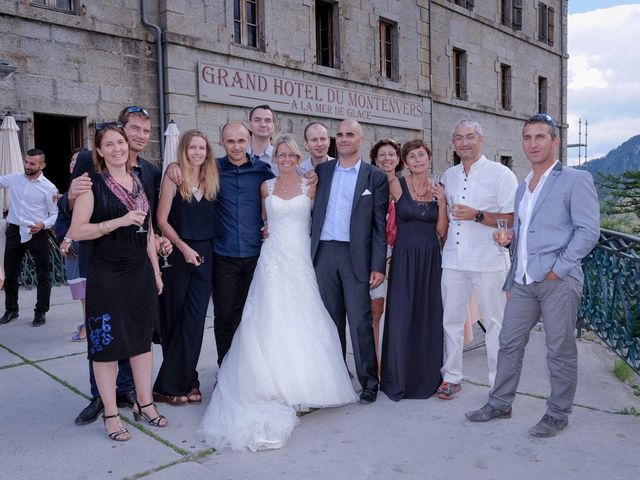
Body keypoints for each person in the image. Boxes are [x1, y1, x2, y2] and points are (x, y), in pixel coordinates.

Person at [197, 135, 358, 451]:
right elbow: (262, 220)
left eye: (290, 155)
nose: (285, 159)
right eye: (280, 154)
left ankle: (307, 384)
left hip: (299, 259)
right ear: (275, 158)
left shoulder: (310, 185)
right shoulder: (265, 187)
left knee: (303, 317)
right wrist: (263, 229)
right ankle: (269, 382)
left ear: (299, 159)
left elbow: (322, 218)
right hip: (271, 259)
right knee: (267, 318)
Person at [465, 114, 600, 438]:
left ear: (555, 141)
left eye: (541, 137)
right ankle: (500, 403)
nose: (533, 143)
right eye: (527, 137)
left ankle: (557, 413)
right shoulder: (524, 186)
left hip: (558, 281)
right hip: (524, 280)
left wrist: (559, 268)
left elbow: (588, 231)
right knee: (508, 343)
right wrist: (509, 237)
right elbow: (527, 231)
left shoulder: (575, 179)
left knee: (559, 349)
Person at [61, 105, 166, 426]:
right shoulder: (90, 175)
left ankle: (141, 401)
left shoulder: (145, 173)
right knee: (104, 340)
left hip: (139, 269)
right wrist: (116, 221)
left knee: (139, 340)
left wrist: (157, 270)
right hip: (104, 268)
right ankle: (105, 406)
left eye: (143, 132)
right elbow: (74, 220)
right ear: (100, 150)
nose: (125, 143)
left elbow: (149, 228)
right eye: (115, 141)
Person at [165, 122, 275, 366]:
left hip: (256, 255)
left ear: (249, 140)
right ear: (222, 143)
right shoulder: (211, 170)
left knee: (252, 317)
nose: (236, 146)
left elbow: (279, 198)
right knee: (224, 317)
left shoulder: (263, 171)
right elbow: (187, 170)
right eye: (230, 141)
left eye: (241, 141)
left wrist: (271, 225)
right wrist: (173, 165)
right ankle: (225, 369)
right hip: (222, 256)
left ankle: (250, 369)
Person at [437, 119, 518, 400]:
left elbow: (512, 218)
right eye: (458, 138)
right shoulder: (448, 176)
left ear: (480, 140)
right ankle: (451, 376)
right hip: (453, 260)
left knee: (496, 325)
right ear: (453, 143)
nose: (464, 142)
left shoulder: (501, 174)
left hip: (489, 260)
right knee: (451, 321)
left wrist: (477, 215)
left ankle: (498, 384)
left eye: (470, 137)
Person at [310, 119, 389, 404]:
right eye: (340, 135)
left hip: (356, 257)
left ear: (361, 139)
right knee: (330, 323)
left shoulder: (374, 177)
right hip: (324, 254)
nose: (343, 139)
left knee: (359, 322)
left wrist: (378, 265)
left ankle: (369, 381)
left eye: (350, 134)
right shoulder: (323, 171)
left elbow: (380, 225)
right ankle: (337, 377)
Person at [153, 130, 219, 405]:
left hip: (206, 254)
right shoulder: (174, 175)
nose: (198, 152)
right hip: (178, 255)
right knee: (175, 318)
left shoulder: (212, 177)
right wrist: (182, 247)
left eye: (202, 148)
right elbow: (161, 219)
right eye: (193, 147)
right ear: (184, 149)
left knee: (194, 321)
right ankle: (182, 382)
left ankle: (176, 382)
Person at [380, 140, 447, 401]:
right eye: (412, 156)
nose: (417, 160)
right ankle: (398, 378)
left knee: (427, 316)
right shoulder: (396, 185)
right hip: (404, 258)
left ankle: (426, 378)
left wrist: (442, 204)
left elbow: (442, 231)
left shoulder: (440, 188)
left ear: (429, 159)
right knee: (400, 316)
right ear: (404, 162)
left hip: (430, 258)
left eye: (422, 155)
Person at [0, 148, 58, 327]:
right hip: (14, 231)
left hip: (37, 233)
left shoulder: (49, 188)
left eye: (32, 163)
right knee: (10, 273)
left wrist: (43, 224)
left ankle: (40, 312)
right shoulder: (14, 178)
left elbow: (54, 213)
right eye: (26, 162)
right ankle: (11, 310)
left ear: (42, 165)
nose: (27, 166)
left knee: (43, 274)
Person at [368, 138, 402, 368]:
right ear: (375, 159)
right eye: (382, 155)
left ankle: (396, 364)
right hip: (377, 256)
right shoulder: (368, 186)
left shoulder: (407, 186)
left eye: (391, 154)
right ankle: (375, 365)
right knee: (375, 312)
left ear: (398, 159)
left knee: (399, 312)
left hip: (401, 257)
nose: (387, 158)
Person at [55, 148, 88, 341]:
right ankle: (87, 321)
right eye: (72, 160)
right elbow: (62, 218)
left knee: (87, 291)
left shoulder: (86, 189)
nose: (73, 163)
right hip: (72, 247)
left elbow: (78, 220)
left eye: (78, 160)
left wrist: (67, 240)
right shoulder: (70, 189)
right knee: (83, 291)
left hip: (81, 247)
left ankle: (88, 327)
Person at [247, 104, 276, 173]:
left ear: (273, 126)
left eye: (268, 121)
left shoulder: (280, 159)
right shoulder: (239, 154)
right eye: (257, 120)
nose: (263, 125)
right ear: (250, 125)